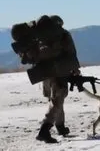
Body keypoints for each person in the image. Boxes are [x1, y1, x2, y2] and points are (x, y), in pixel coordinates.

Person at [37, 15, 81, 144]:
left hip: (44, 73)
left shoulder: (40, 36)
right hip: (59, 73)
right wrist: (75, 70)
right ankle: (44, 131)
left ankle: (60, 127)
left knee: (55, 100)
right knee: (57, 101)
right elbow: (71, 53)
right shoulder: (62, 34)